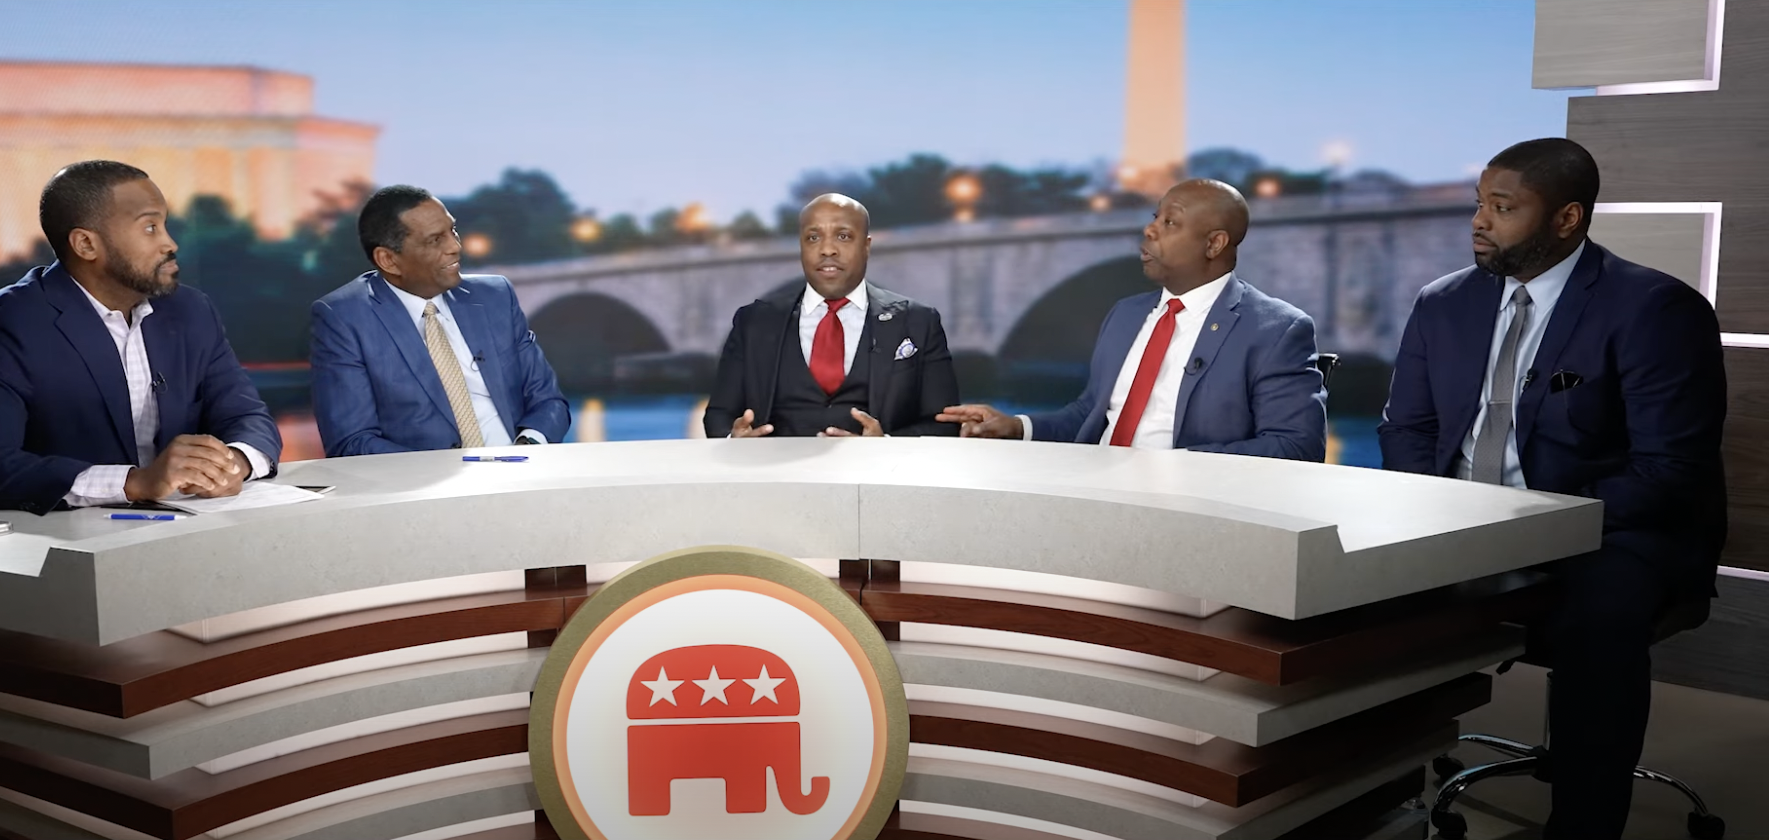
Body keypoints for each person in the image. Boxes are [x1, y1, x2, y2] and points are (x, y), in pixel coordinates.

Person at [1377, 138, 1726, 838]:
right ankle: (1369, 802)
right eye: (1479, 204)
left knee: (1599, 620)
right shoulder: (1442, 304)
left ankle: (1586, 824)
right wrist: (1437, 514)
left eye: (1502, 208)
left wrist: (1536, 525)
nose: (1479, 221)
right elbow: (1407, 432)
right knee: (1350, 597)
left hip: (1609, 530)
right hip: (1462, 523)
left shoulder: (1654, 308)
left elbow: (1669, 472)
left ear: (1566, 219)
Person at [0, 160, 281, 513]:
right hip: (70, 549)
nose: (170, 243)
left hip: (187, 535)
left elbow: (249, 418)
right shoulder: (11, 323)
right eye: (149, 228)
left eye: (165, 225)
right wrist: (134, 483)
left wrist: (233, 462)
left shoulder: (190, 311)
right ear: (86, 244)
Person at [938, 179, 1325, 459]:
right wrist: (1016, 427)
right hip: (1096, 496)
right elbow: (1091, 415)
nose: (1149, 229)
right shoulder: (1126, 314)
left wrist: (1166, 467)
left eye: (1170, 223)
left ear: (1214, 243)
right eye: (1155, 216)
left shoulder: (1275, 329)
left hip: (1192, 512)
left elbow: (1296, 446)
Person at [310, 185, 570, 456]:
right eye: (435, 240)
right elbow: (352, 442)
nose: (455, 247)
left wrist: (526, 449)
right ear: (388, 260)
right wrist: (455, 473)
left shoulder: (496, 297)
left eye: (453, 231)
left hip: (521, 469)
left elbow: (548, 402)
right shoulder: (343, 318)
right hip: (428, 486)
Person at [703, 193, 959, 438]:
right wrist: (733, 441)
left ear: (866, 246)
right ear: (801, 246)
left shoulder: (919, 322)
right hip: (777, 479)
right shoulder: (753, 322)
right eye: (813, 238)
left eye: (843, 236)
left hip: (876, 478)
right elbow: (719, 415)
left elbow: (944, 425)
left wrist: (887, 445)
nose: (827, 249)